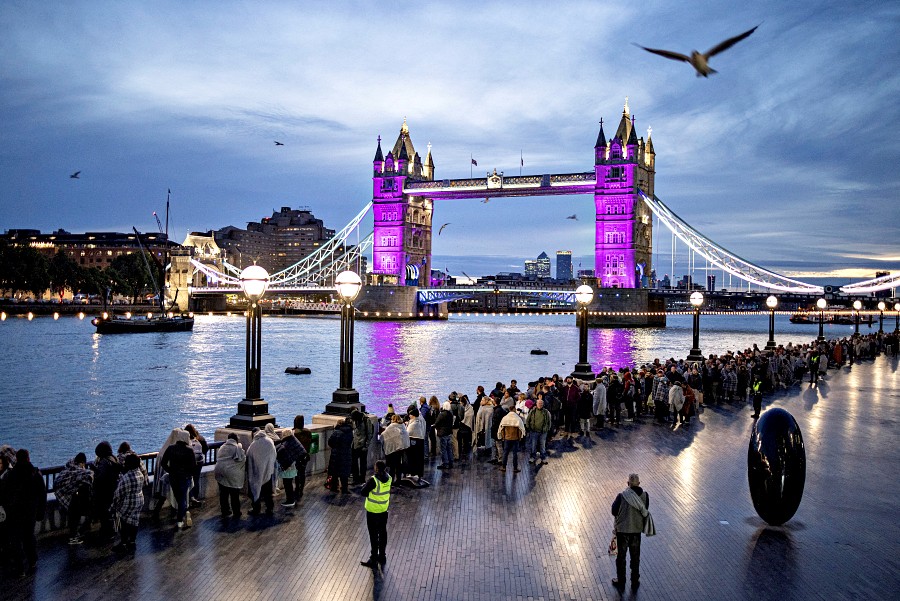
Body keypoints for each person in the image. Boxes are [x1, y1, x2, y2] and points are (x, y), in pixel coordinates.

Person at [4, 449, 46, 576]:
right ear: (28, 458)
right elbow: (42, 494)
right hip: (31, 511)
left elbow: (5, 493)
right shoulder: (35, 473)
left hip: (15, 511)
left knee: (16, 539)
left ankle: (20, 567)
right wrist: (41, 511)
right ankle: (32, 560)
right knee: (29, 536)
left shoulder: (11, 474)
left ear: (16, 458)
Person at [611, 473, 650, 589]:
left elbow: (614, 511)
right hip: (636, 532)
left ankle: (621, 580)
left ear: (628, 484)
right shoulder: (645, 496)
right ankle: (635, 579)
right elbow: (645, 509)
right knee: (635, 556)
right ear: (638, 484)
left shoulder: (621, 496)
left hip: (622, 531)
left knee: (621, 558)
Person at [53, 452, 93, 545]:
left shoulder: (67, 469)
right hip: (72, 498)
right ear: (82, 463)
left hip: (62, 496)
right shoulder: (80, 472)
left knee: (73, 517)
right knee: (75, 517)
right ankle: (73, 538)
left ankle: (74, 535)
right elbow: (87, 476)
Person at [160, 429, 195, 529]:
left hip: (173, 477)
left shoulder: (171, 448)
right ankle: (180, 518)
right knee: (183, 497)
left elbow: (163, 462)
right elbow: (193, 466)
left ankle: (182, 515)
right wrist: (189, 474)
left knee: (178, 497)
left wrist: (170, 470)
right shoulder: (189, 450)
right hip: (185, 477)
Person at [359, 459, 391, 568]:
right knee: (383, 533)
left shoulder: (374, 480)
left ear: (376, 468)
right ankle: (382, 556)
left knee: (373, 535)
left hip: (373, 511)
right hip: (383, 510)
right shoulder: (389, 478)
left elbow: (363, 492)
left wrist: (365, 485)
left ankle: (373, 558)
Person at [111, 453, 145, 554]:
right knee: (135, 521)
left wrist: (114, 505)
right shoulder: (140, 474)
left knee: (123, 521)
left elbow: (118, 494)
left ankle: (124, 542)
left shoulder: (126, 478)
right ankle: (132, 541)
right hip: (139, 500)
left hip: (128, 502)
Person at [91, 441, 121, 541]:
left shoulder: (104, 461)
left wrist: (94, 470)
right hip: (113, 489)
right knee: (110, 512)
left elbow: (100, 477)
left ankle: (106, 532)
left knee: (103, 513)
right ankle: (111, 531)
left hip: (103, 491)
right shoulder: (114, 458)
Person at [214, 433, 246, 518]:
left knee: (223, 493)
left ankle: (225, 511)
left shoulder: (222, 447)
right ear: (236, 440)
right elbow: (243, 459)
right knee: (234, 494)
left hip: (219, 471)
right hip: (232, 474)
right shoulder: (237, 448)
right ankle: (236, 512)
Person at [276, 429, 309, 508]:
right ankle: (294, 496)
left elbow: (280, 453)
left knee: (287, 484)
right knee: (290, 483)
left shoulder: (286, 443)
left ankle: (290, 500)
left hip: (289, 468)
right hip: (295, 466)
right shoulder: (293, 440)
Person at [247, 429, 277, 515]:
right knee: (268, 493)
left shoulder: (253, 445)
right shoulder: (270, 441)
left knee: (255, 491)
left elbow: (249, 456)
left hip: (257, 473)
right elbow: (274, 455)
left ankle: (256, 508)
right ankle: (269, 507)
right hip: (268, 472)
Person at [496, 403, 526, 473]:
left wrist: (502, 437)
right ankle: (515, 468)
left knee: (505, 453)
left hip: (507, 438)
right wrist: (520, 437)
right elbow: (521, 429)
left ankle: (504, 467)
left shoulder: (505, 418)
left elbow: (501, 428)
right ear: (514, 410)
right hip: (515, 439)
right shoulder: (517, 418)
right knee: (515, 454)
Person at [183, 424, 208, 507]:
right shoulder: (200, 438)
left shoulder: (185, 439)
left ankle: (188, 498)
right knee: (196, 480)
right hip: (199, 462)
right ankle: (195, 498)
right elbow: (206, 449)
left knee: (188, 480)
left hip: (188, 463)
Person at [327, 417, 354, 493]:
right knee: (344, 472)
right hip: (346, 454)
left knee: (335, 472)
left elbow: (330, 442)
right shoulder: (350, 432)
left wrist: (335, 448)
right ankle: (344, 488)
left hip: (336, 454)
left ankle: (334, 487)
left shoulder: (336, 432)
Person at [382, 414, 410, 483]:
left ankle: (391, 480)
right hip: (401, 448)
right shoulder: (402, 426)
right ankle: (398, 480)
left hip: (393, 449)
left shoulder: (391, 426)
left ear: (393, 420)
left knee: (392, 466)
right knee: (398, 465)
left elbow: (384, 435)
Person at [350, 409, 374, 485]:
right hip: (355, 444)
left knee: (363, 462)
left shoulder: (366, 420)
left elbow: (369, 434)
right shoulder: (354, 420)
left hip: (363, 445)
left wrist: (366, 445)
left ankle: (362, 478)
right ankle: (355, 478)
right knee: (354, 462)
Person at [525, 397, 551, 464]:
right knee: (533, 445)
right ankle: (533, 457)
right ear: (536, 404)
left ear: (543, 404)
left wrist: (547, 429)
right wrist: (529, 428)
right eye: (539, 403)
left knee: (542, 446)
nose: (540, 404)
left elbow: (549, 421)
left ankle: (543, 458)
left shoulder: (546, 412)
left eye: (541, 403)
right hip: (534, 431)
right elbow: (528, 420)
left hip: (543, 432)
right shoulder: (532, 411)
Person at [292, 415, 313, 495]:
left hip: (297, 455)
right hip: (305, 455)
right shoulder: (308, 432)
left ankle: (297, 487)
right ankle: (301, 489)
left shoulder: (295, 432)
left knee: (297, 472)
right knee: (303, 472)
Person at [405, 406, 426, 483]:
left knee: (412, 458)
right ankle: (418, 474)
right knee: (419, 458)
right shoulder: (421, 419)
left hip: (414, 442)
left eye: (410, 414)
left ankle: (413, 473)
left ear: (413, 415)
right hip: (421, 440)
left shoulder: (413, 424)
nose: (409, 416)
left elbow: (407, 433)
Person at [434, 401, 455, 470]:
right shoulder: (450, 414)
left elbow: (436, 423)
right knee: (449, 448)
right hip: (449, 433)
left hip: (443, 433)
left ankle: (445, 463)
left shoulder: (442, 414)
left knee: (443, 449)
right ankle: (451, 462)